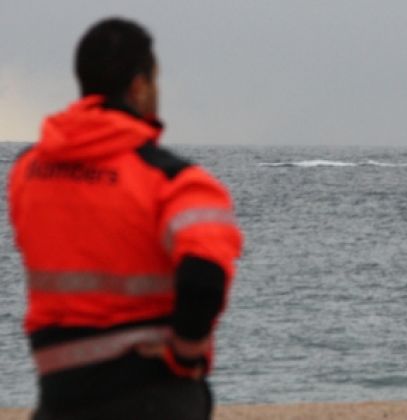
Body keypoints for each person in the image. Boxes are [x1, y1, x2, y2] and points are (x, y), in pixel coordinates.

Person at [7, 17, 243, 419]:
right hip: (151, 393)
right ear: (139, 85)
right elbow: (205, 276)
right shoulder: (177, 183)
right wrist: (184, 355)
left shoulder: (26, 172)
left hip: (61, 395)